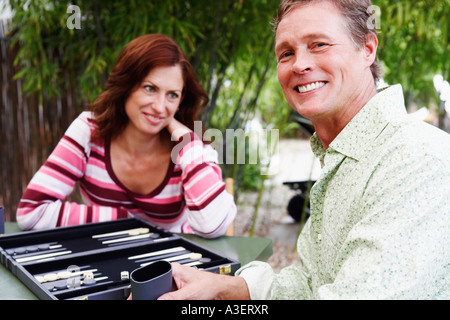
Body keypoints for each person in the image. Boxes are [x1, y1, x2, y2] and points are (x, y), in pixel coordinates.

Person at [158, 0, 450, 300]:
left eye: (319, 44)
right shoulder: (342, 158)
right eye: (286, 53)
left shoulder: (416, 160)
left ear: (367, 48)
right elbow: (309, 284)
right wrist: (227, 288)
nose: (299, 65)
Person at [16, 34, 236, 238]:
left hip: (176, 267)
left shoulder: (191, 148)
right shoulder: (89, 131)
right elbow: (31, 212)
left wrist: (189, 144)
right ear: (126, 86)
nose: (160, 107)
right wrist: (126, 223)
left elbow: (213, 226)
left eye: (172, 95)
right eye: (150, 88)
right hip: (103, 261)